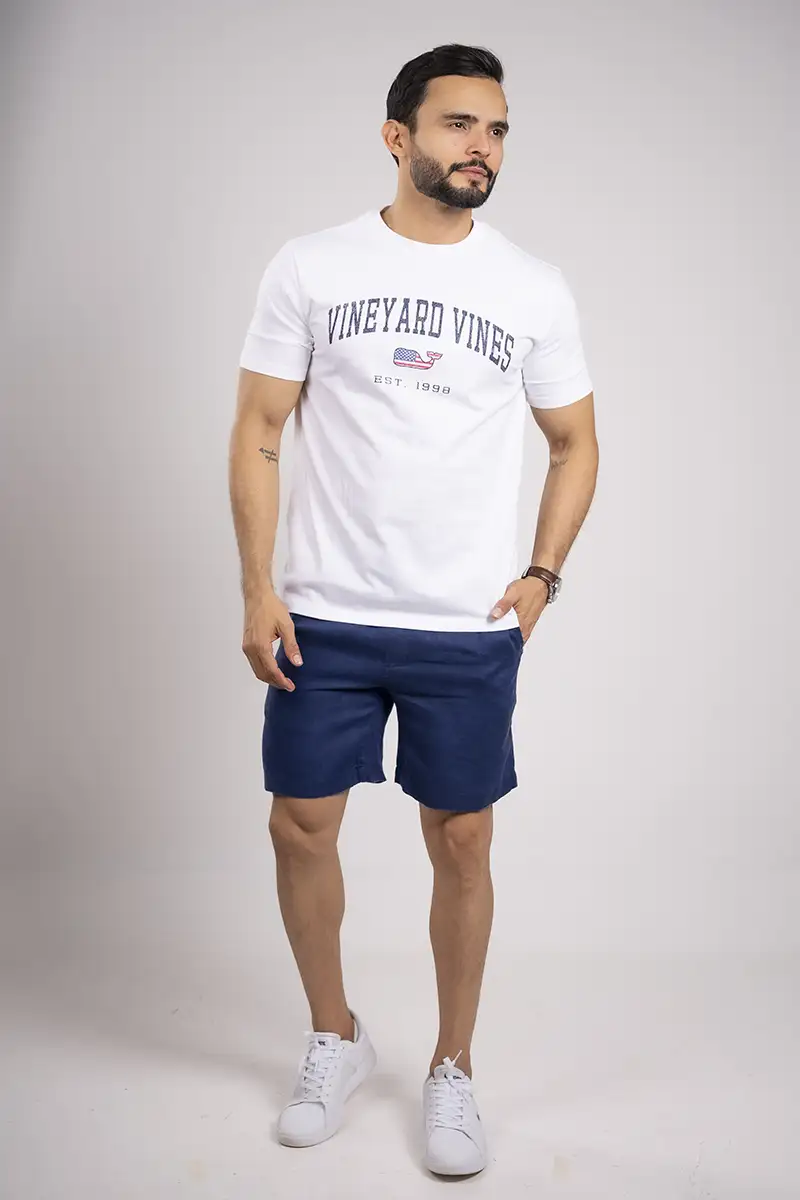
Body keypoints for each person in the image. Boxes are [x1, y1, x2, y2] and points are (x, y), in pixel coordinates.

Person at [228, 42, 598, 1176]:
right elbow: (258, 428)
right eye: (458, 125)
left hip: (464, 627)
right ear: (398, 137)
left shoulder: (532, 287)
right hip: (324, 617)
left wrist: (540, 576)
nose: (483, 147)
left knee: (464, 839)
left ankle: (452, 1067)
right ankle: (334, 1035)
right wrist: (258, 586)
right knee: (300, 824)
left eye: (497, 129)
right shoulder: (311, 266)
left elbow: (575, 442)